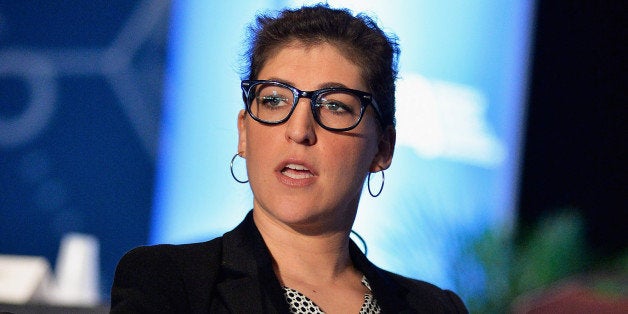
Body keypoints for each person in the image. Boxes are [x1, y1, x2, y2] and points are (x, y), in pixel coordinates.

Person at [110, 4, 468, 313]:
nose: (299, 130)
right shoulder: (172, 283)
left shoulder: (435, 307)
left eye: (334, 106)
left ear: (382, 148)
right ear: (245, 132)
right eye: (275, 100)